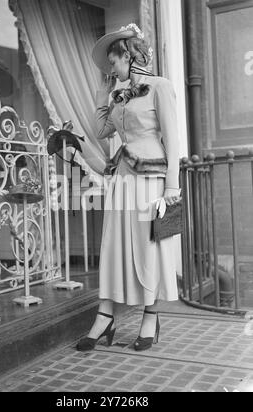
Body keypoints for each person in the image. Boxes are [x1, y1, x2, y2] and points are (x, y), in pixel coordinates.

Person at [77, 24, 181, 352]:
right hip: (122, 179)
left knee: (149, 247)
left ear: (129, 55)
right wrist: (101, 94)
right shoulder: (119, 96)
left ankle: (150, 315)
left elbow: (173, 141)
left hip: (151, 181)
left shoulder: (160, 87)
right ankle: (105, 317)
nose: (112, 69)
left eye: (115, 63)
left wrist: (172, 188)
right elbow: (102, 131)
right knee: (114, 248)